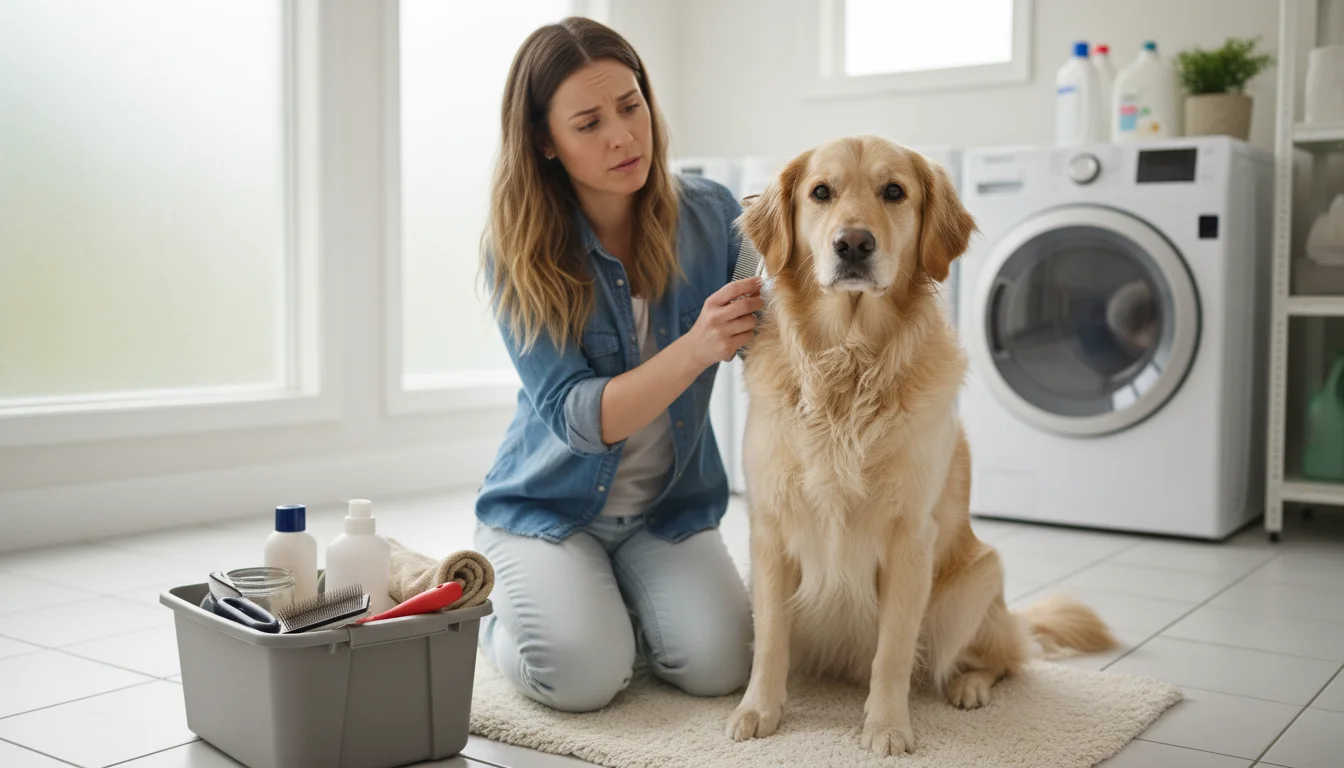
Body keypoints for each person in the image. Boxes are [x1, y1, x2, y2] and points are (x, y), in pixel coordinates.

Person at [473, 16, 762, 713]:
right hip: (549, 511)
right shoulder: (520, 253)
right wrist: (695, 346)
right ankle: (490, 618)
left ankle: (611, 602)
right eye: (589, 122)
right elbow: (579, 419)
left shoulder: (709, 213)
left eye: (631, 106)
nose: (624, 136)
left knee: (721, 666)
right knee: (581, 679)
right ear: (545, 141)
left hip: (666, 511)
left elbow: (773, 328)